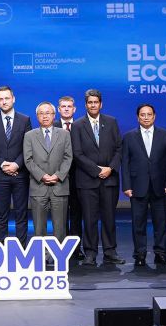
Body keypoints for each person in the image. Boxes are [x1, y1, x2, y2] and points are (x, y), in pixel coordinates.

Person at [71, 89, 123, 265]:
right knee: (90, 218)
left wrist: (110, 168)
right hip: (87, 181)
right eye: (90, 102)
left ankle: (110, 251)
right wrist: (96, 170)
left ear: (101, 104)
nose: (93, 105)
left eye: (96, 102)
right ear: (86, 105)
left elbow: (119, 149)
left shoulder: (112, 122)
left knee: (109, 217)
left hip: (109, 180)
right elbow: (77, 153)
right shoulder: (77, 125)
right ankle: (90, 253)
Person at [121, 104, 166, 266]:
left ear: (154, 116)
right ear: (138, 117)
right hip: (137, 187)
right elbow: (125, 164)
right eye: (142, 115)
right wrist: (127, 186)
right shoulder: (129, 137)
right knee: (138, 223)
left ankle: (161, 253)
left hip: (160, 186)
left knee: (161, 223)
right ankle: (140, 254)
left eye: (149, 114)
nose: (146, 117)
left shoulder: (165, 135)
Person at [23, 102, 72, 262]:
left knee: (60, 227)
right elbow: (28, 160)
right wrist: (42, 176)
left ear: (54, 115)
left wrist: (58, 175)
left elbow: (68, 157)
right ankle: (41, 258)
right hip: (39, 186)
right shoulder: (29, 135)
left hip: (59, 186)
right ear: (37, 116)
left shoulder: (64, 134)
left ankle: (59, 257)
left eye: (48, 113)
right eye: (41, 113)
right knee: (39, 227)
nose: (45, 116)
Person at [0, 86, 32, 246]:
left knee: (21, 213)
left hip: (20, 175)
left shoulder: (25, 120)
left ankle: (21, 248)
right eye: (0, 99)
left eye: (7, 98)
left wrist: (16, 165)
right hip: (0, 175)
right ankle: (1, 247)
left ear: (13, 99)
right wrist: (2, 163)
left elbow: (28, 146)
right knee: (1, 214)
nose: (4, 101)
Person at [53, 95, 84, 260]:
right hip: (58, 178)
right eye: (63, 106)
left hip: (79, 177)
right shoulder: (52, 126)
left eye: (69, 106)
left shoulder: (80, 126)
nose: (66, 109)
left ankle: (77, 249)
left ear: (74, 109)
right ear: (58, 109)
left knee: (77, 215)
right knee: (60, 216)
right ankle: (61, 250)